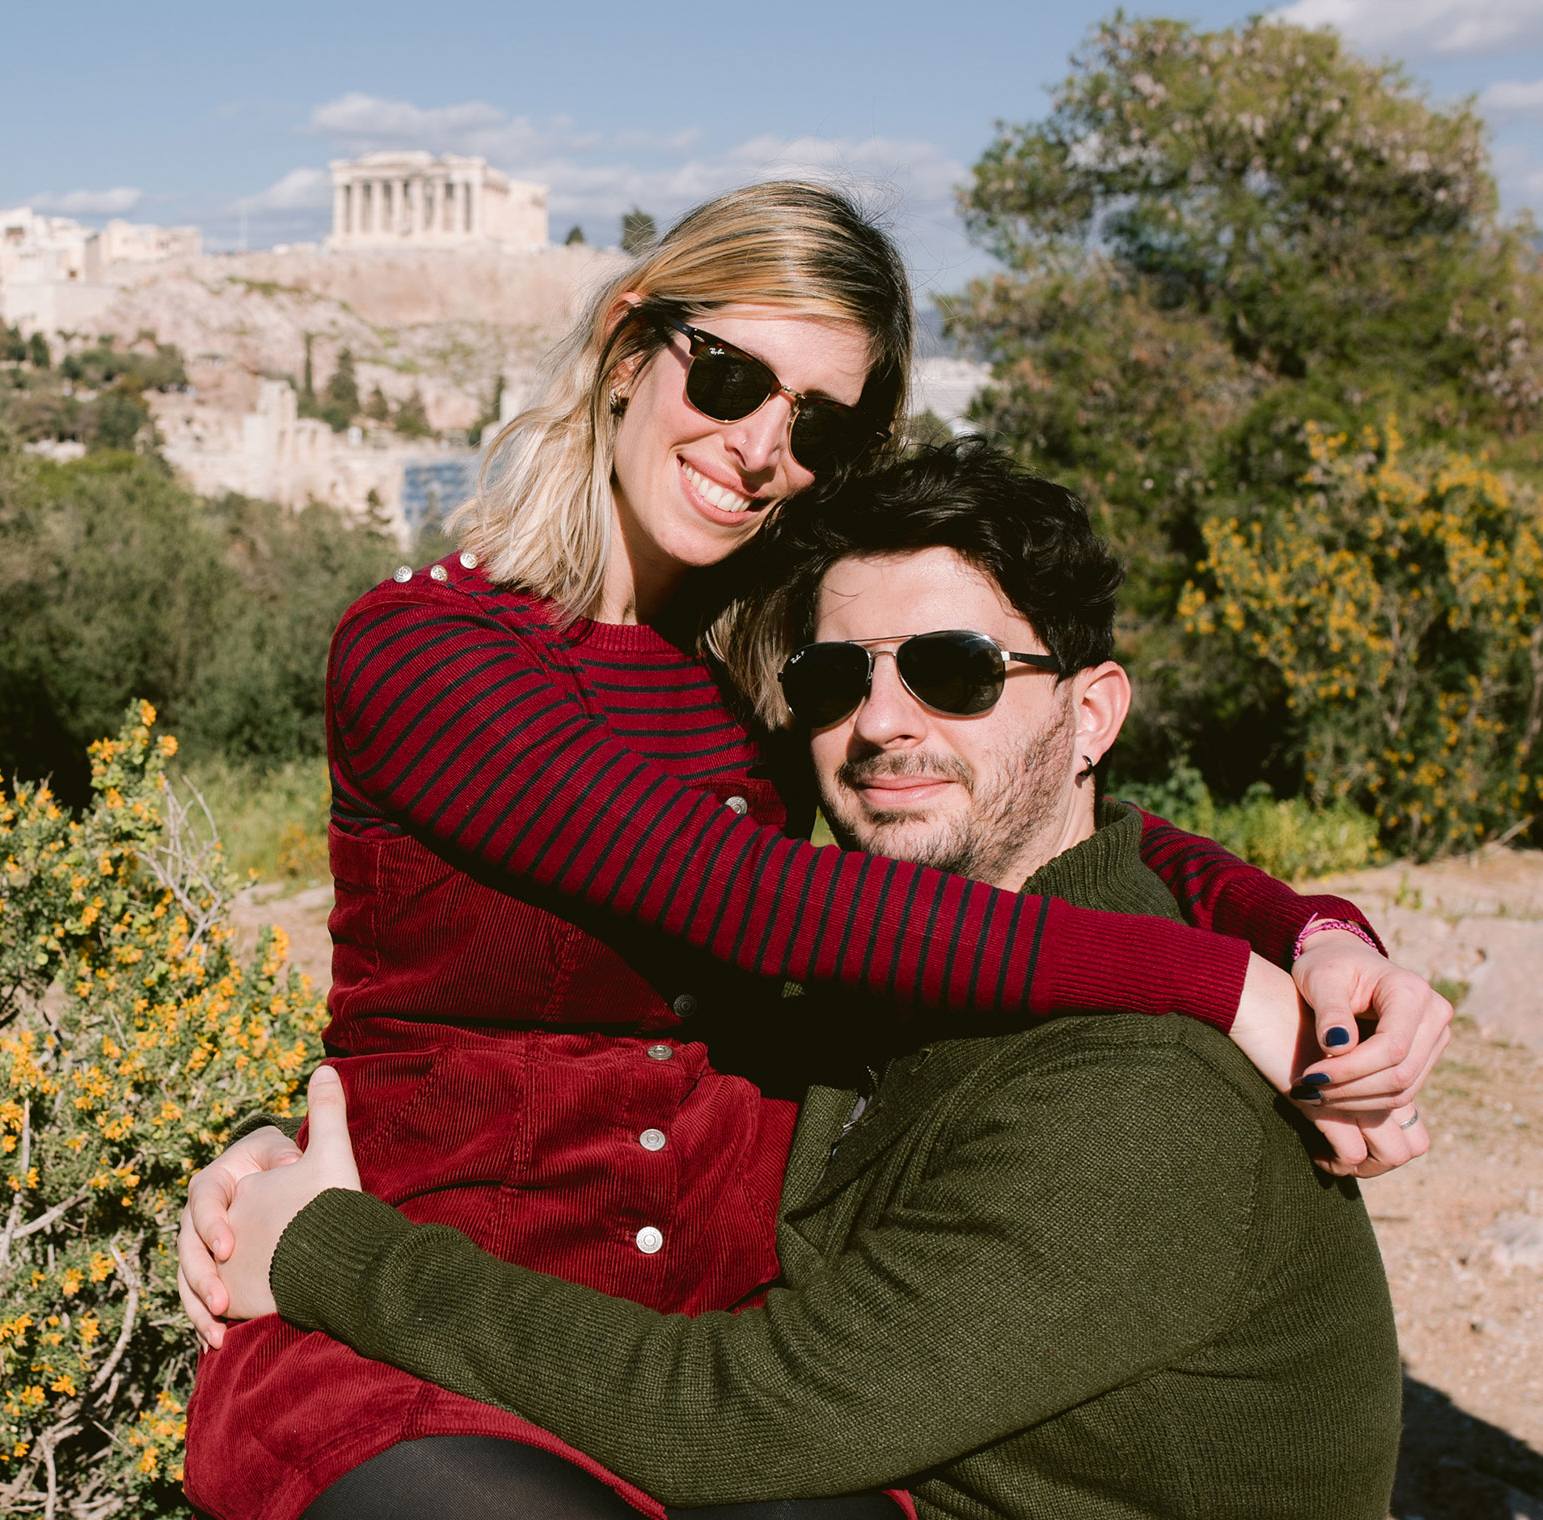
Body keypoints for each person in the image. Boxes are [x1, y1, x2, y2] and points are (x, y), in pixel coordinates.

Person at [177, 184, 1447, 1520]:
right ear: (628, 348)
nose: (759, 447)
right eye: (731, 376)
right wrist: (1217, 982)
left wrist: (1303, 931)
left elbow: (1026, 803)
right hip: (434, 1287)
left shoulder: (773, 671)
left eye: (819, 426)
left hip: (714, 1318)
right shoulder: (433, 652)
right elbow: (755, 899)